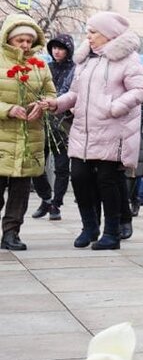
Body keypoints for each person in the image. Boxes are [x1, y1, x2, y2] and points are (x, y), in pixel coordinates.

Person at [46, 12, 143, 250]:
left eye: (93, 32)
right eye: (88, 32)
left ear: (108, 34)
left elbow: (140, 90)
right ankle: (89, 227)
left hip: (113, 129)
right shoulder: (86, 59)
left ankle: (112, 232)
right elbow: (75, 93)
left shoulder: (128, 59)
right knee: (80, 177)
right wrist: (57, 103)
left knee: (107, 180)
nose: (88, 37)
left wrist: (114, 107)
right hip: (84, 129)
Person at [1, 14, 55, 250]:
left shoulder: (39, 65)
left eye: (28, 41)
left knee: (21, 191)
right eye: (19, 40)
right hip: (3, 135)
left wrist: (43, 104)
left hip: (29, 137)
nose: (24, 45)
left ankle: (11, 233)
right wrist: (7, 109)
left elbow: (51, 94)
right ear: (8, 39)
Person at [29, 34, 74, 222]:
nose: (57, 51)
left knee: (62, 167)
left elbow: (69, 94)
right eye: (54, 47)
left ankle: (56, 203)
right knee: (36, 165)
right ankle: (46, 198)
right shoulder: (45, 68)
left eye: (61, 48)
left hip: (63, 124)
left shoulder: (75, 70)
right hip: (42, 122)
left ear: (68, 50)